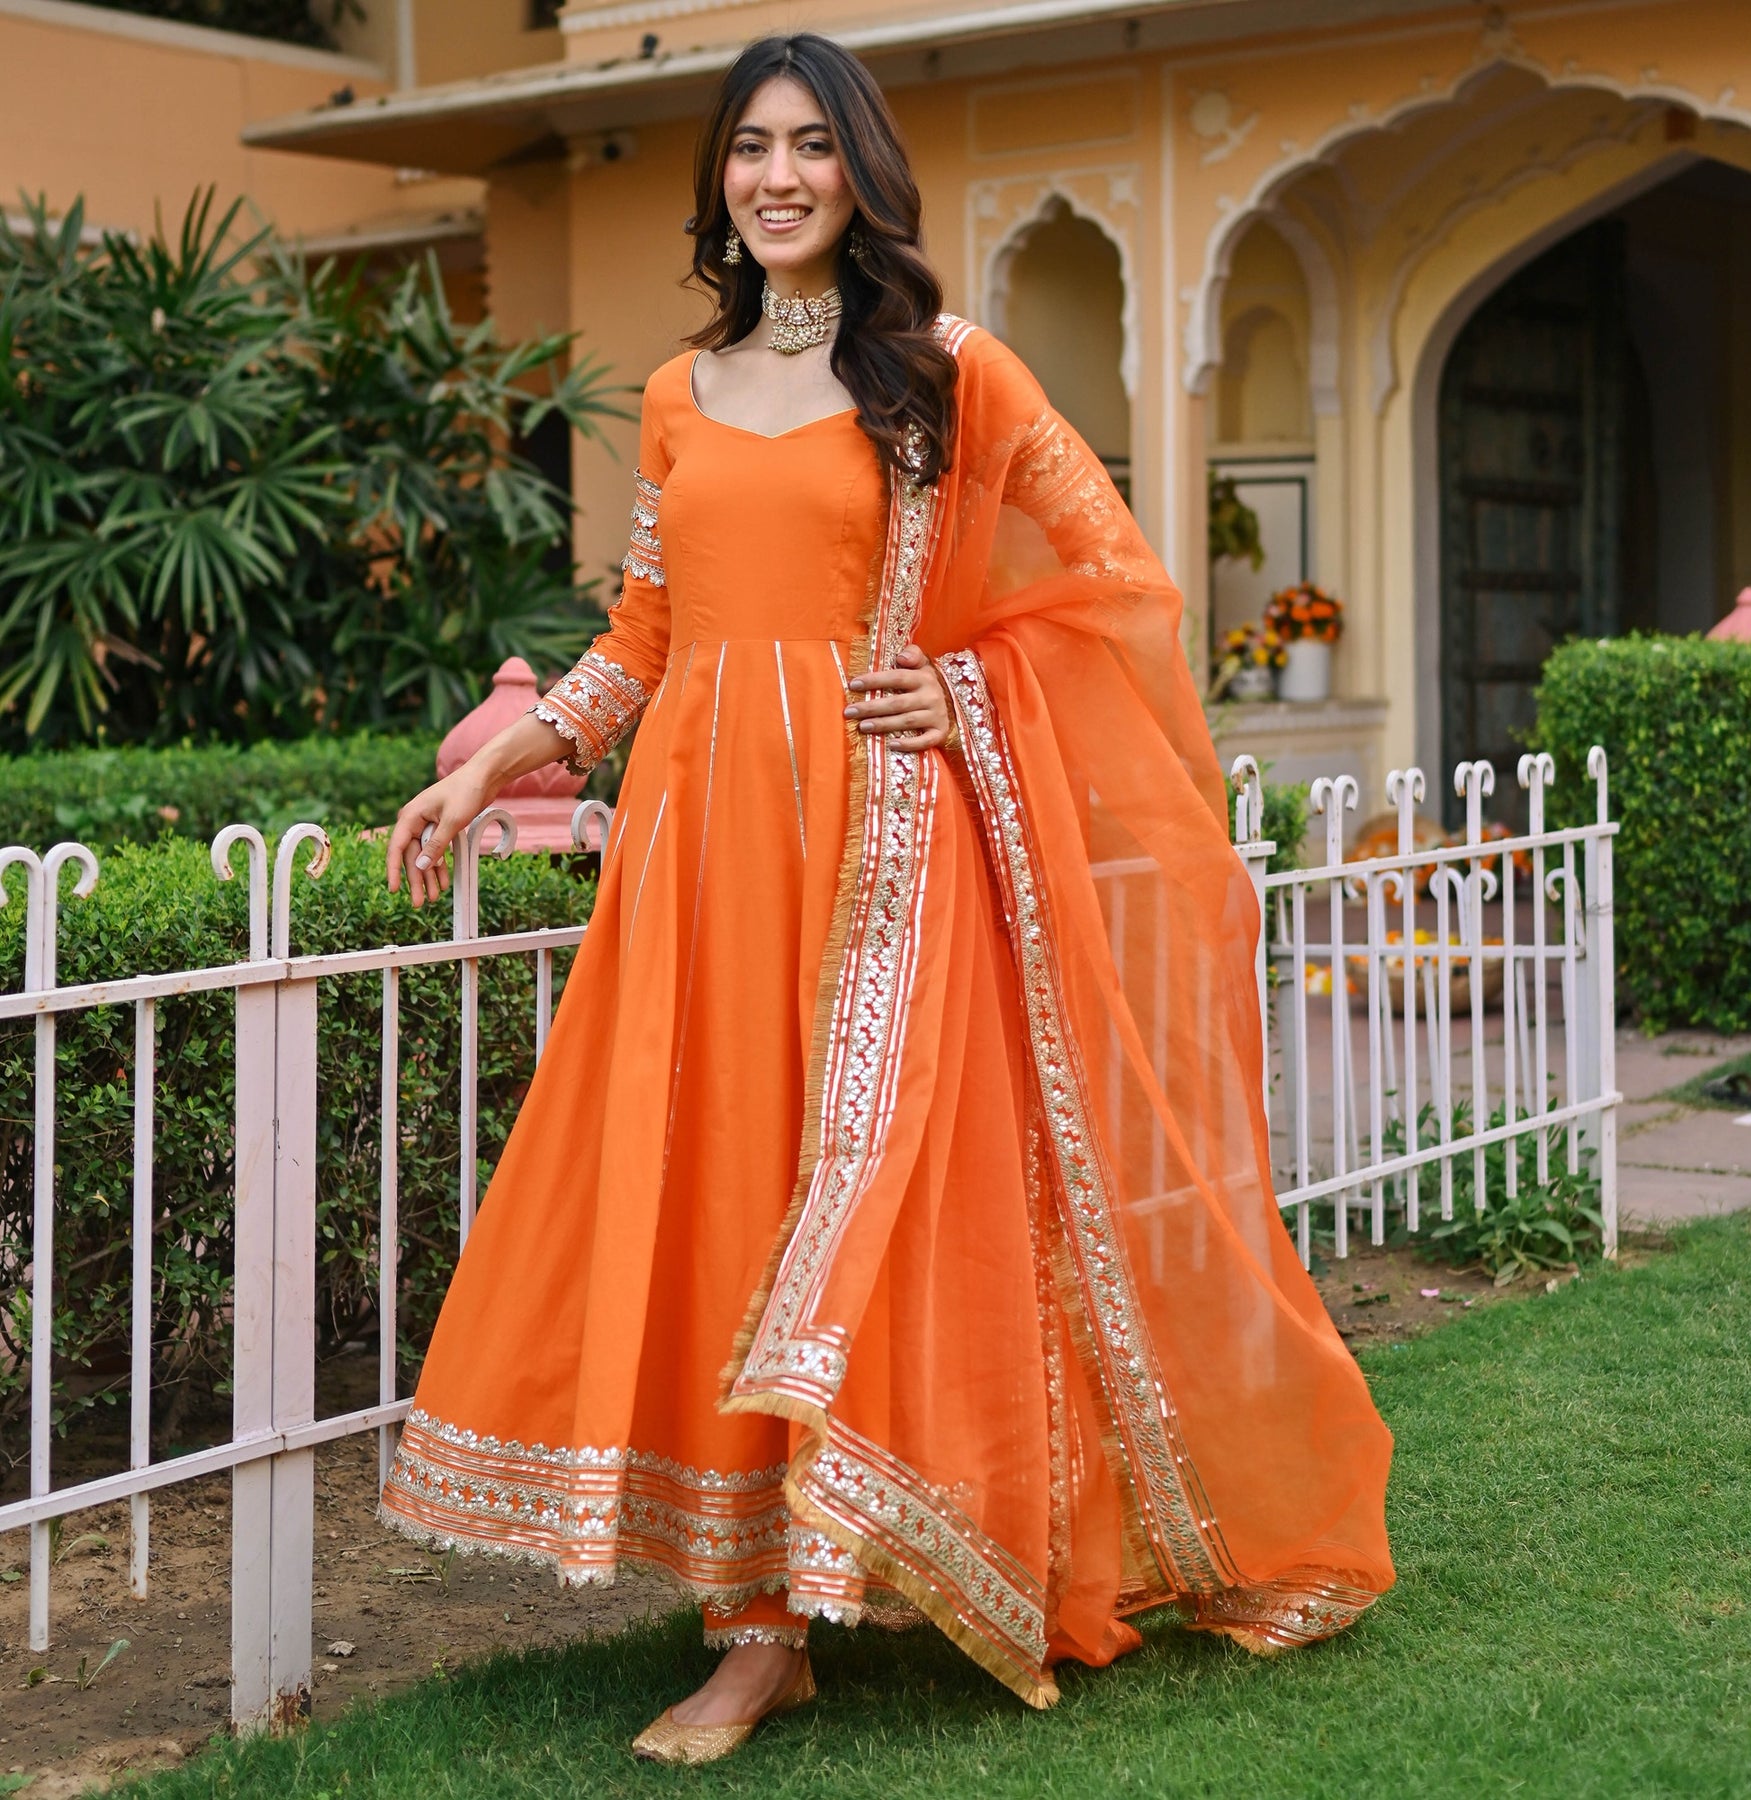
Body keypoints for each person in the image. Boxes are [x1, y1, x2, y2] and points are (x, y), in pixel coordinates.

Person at [379, 31, 1394, 1767]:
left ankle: (879, 1564)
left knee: (846, 1208)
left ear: (861, 173)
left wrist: (969, 693)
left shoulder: (950, 373)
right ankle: (756, 1624)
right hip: (700, 858)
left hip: (879, 858)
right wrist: (500, 761)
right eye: (750, 148)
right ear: (722, 178)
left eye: (810, 148)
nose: (776, 177)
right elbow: (643, 640)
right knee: (718, 1197)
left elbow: (1119, 586)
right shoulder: (685, 392)